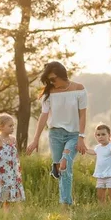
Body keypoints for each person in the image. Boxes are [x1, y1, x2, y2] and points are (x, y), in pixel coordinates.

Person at [26, 61, 88, 206]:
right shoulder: (49, 94)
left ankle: (65, 204)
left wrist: (81, 138)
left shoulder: (79, 89)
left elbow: (83, 115)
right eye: (49, 80)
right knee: (61, 170)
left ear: (62, 75)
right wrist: (35, 140)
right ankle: (66, 202)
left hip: (73, 135)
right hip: (55, 135)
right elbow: (43, 116)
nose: (52, 82)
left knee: (64, 164)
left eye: (53, 79)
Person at [0, 113, 25, 209]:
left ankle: (8, 211)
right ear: (1, 127)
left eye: (13, 126)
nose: (13, 128)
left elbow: (15, 155)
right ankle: (3, 210)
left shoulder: (14, 140)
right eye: (10, 126)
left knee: (11, 190)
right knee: (4, 192)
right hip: (2, 173)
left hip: (12, 171)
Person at [85, 123, 111, 208]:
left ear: (109, 135)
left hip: (110, 175)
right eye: (98, 135)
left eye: (103, 134)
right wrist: (84, 148)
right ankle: (103, 211)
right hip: (100, 175)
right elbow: (93, 152)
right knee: (100, 196)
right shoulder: (98, 148)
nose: (100, 137)